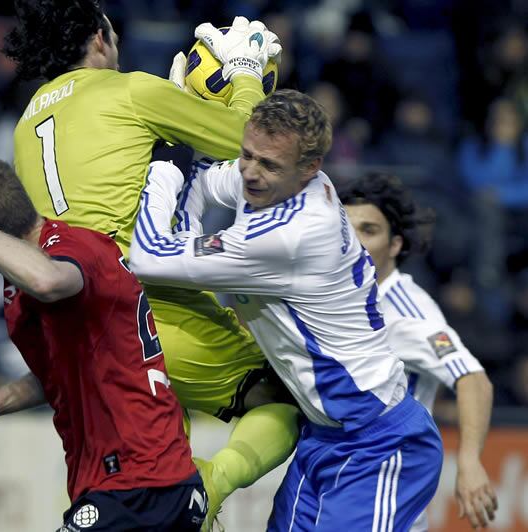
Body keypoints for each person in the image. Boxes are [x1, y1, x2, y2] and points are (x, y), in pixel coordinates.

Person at [3, 1, 298, 527]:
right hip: (143, 306)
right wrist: (248, 76)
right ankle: (212, 485)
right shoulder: (130, 90)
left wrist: (177, 110)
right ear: (99, 39)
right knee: (281, 396)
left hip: (77, 331)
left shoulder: (24, 127)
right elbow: (247, 140)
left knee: (155, 475)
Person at [128, 89, 444, 531]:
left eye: (268, 164)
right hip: (324, 434)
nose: (250, 174)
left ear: (309, 168)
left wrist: (163, 171)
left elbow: (148, 256)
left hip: (378, 441)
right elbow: (200, 179)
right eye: (246, 155)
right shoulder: (281, 184)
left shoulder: (292, 235)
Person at [0, 154, 206, 532]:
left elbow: (50, 281)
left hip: (139, 483)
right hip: (128, 483)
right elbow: (58, 372)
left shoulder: (73, 250)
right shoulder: (21, 277)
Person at [340, 173, 498, 531]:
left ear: (395, 245)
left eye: (369, 230)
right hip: (332, 470)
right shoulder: (338, 297)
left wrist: (470, 461)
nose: (356, 243)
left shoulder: (406, 311)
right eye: (347, 230)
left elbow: (472, 377)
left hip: (382, 480)